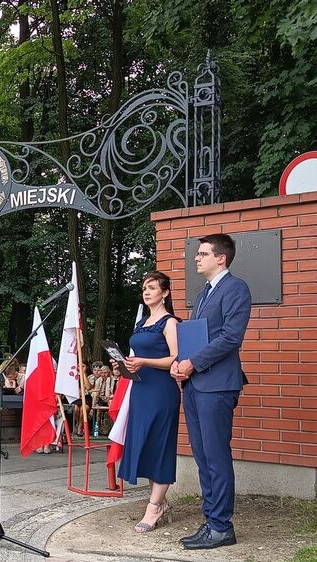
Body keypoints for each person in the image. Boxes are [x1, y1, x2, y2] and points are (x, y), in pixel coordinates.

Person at [170, 234, 251, 550]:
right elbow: (198, 338)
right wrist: (180, 363)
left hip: (217, 386)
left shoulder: (235, 288)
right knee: (203, 457)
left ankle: (221, 527)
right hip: (195, 384)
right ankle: (211, 522)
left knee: (216, 456)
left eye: (203, 253)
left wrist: (192, 362)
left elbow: (231, 337)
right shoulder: (204, 293)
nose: (196, 258)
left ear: (221, 258)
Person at [110, 272, 180, 533]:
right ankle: (160, 502)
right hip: (139, 390)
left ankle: (153, 507)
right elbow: (136, 357)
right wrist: (123, 367)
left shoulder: (170, 322)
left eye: (152, 288)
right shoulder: (141, 323)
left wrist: (144, 361)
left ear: (165, 293)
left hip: (161, 391)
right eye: (144, 289)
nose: (147, 292)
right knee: (147, 445)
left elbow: (176, 358)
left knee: (159, 445)